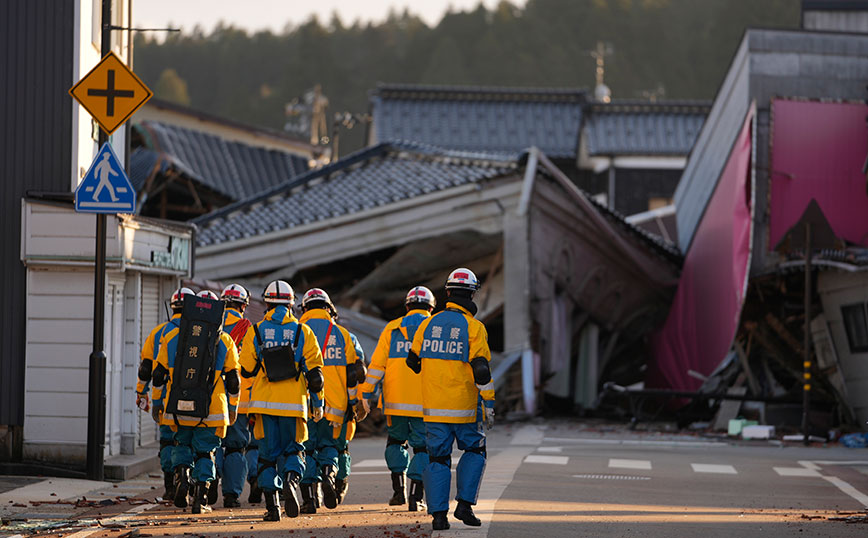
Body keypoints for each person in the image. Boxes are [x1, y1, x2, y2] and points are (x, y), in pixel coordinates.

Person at [406, 269, 495, 531]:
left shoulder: (427, 323)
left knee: (437, 459)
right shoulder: (474, 327)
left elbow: (413, 361)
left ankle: (438, 516)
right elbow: (481, 370)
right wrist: (489, 402)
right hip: (465, 407)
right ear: (472, 294)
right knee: (475, 450)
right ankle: (465, 506)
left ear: (447, 293)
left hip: (434, 408)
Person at [239, 280, 325, 522]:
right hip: (294, 404)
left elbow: (245, 369)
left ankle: (273, 507)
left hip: (263, 405)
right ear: (291, 304)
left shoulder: (255, 331)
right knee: (294, 451)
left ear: (266, 303)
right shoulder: (303, 332)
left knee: (267, 456)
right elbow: (316, 376)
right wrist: (317, 405)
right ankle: (290, 481)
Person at [151, 290, 241, 515]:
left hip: (178, 405)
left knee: (181, 444)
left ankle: (181, 475)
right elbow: (233, 381)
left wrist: (156, 402)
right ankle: (200, 499)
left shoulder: (172, 337)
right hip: (212, 409)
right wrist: (233, 407)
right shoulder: (226, 340)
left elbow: (158, 374)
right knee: (205, 453)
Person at [360, 286, 436, 511]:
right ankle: (416, 496)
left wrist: (366, 394)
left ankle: (398, 492)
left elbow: (376, 366)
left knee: (395, 443)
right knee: (422, 449)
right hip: (426, 402)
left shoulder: (392, 329)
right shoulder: (434, 328)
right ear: (431, 308)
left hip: (395, 401)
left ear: (407, 306)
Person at [298, 288, 361, 514]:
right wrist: (353, 402)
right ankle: (329, 475)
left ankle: (309, 499)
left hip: (303, 404)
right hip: (335, 405)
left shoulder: (296, 333)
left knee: (305, 449)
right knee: (330, 446)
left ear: (304, 309)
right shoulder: (344, 335)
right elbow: (355, 374)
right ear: (329, 309)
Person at [136, 287, 194, 500]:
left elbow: (146, 368)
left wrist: (142, 393)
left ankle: (170, 486)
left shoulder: (158, 332)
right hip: (198, 398)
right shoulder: (199, 331)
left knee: (168, 441)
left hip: (168, 397)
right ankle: (195, 485)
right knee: (193, 441)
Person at [212, 284, 253, 508]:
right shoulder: (248, 329)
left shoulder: (211, 324)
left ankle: (209, 480)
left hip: (212, 396)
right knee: (236, 447)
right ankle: (231, 495)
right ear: (243, 305)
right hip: (241, 398)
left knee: (212, 443)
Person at [334, 330, 368, 503]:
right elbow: (358, 371)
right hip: (341, 401)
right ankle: (339, 483)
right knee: (340, 446)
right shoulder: (347, 336)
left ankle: (311, 496)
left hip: (309, 402)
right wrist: (358, 401)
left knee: (310, 449)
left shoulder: (301, 330)